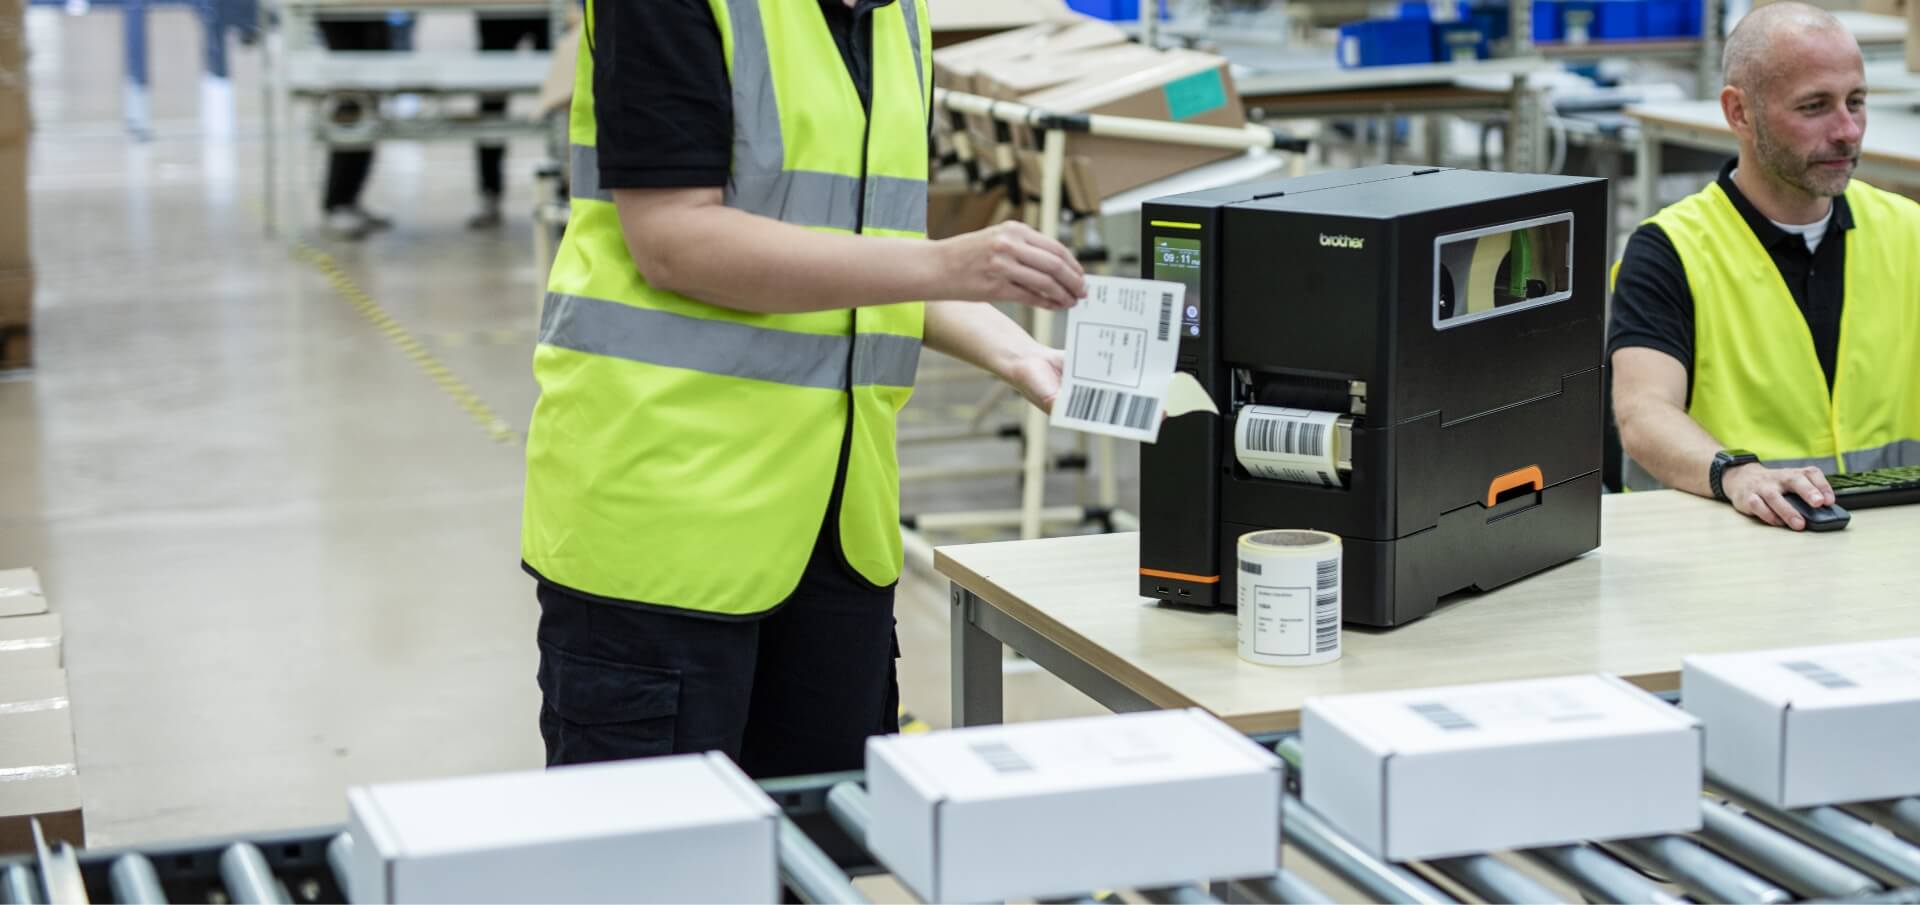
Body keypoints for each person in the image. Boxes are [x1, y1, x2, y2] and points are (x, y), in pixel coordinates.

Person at [520, 0, 1086, 777]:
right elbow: (675, 239)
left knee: (818, 855)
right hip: (666, 528)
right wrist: (946, 264)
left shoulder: (894, 17)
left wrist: (1016, 352)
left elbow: (862, 243)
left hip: (836, 532)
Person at [1607, 1, 1920, 530]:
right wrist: (1735, 473)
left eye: (1857, 101)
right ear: (1740, 113)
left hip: (1888, 543)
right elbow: (1643, 413)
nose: (1847, 130)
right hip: (1732, 547)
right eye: (1814, 106)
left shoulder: (1908, 231)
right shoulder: (1669, 249)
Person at [468, 14, 552, 230]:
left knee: (558, 99)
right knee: (491, 103)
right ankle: (490, 194)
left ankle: (565, 190)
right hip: (497, 13)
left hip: (547, 10)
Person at [316, 18, 397, 240]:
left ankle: (350, 199)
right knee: (352, 98)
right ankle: (338, 202)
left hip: (370, 14)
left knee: (370, 104)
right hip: (341, 13)